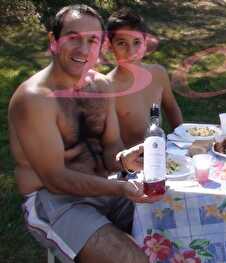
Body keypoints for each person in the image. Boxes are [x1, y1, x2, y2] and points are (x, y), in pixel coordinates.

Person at [8, 5, 159, 263]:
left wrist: (124, 159)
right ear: (53, 41)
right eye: (73, 38)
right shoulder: (34, 99)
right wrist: (120, 188)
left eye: (93, 40)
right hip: (54, 201)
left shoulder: (100, 86)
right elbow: (55, 179)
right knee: (133, 260)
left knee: (176, 222)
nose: (83, 50)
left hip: (105, 186)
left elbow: (111, 144)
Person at [106, 9, 183, 148]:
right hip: (129, 164)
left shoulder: (158, 74)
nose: (131, 51)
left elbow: (172, 108)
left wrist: (183, 141)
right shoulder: (108, 87)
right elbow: (107, 141)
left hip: (161, 154)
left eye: (137, 42)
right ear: (110, 46)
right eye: (122, 43)